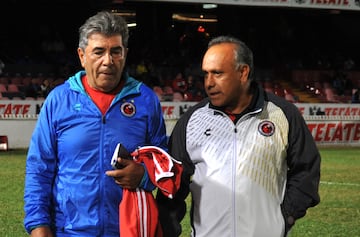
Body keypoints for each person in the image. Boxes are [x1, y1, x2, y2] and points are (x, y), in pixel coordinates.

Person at [156, 35, 321, 237]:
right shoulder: (191, 120)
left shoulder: (283, 115)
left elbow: (307, 171)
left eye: (217, 73)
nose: (208, 83)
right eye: (206, 74)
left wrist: (284, 217)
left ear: (243, 73)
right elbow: (172, 186)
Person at [23, 11, 168, 237]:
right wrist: (38, 226)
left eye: (115, 52)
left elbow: (163, 161)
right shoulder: (59, 100)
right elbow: (39, 168)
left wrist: (143, 175)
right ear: (82, 55)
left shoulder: (146, 101)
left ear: (125, 54)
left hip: (129, 231)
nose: (108, 61)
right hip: (69, 232)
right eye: (99, 51)